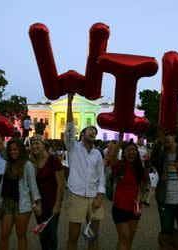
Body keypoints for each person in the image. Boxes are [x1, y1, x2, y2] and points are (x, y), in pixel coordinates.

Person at [65, 93, 105, 250]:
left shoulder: (97, 153)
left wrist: (100, 196)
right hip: (77, 196)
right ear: (82, 134)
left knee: (93, 237)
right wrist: (69, 101)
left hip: (94, 198)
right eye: (90, 129)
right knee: (73, 238)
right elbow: (69, 128)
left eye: (95, 131)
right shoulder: (73, 147)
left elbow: (101, 177)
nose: (93, 131)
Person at [0, 139, 42, 250]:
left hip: (22, 205)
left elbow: (33, 186)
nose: (13, 152)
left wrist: (38, 204)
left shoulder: (27, 165)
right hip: (7, 203)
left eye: (15, 149)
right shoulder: (6, 163)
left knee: (21, 236)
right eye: (11, 150)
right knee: (4, 235)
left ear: (21, 150)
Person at [108, 132, 149, 250]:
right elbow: (111, 157)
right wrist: (120, 141)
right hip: (120, 208)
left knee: (129, 239)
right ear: (124, 153)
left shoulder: (138, 168)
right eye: (129, 150)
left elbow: (145, 184)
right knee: (124, 238)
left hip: (135, 208)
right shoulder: (119, 165)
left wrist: (140, 198)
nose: (132, 152)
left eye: (134, 150)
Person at [30, 134, 65, 250]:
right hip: (39, 204)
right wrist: (35, 205)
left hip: (52, 203)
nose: (34, 146)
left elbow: (61, 183)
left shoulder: (53, 160)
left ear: (44, 145)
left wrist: (57, 205)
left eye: (37, 143)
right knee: (42, 234)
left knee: (52, 235)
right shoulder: (32, 163)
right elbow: (31, 185)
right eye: (32, 144)